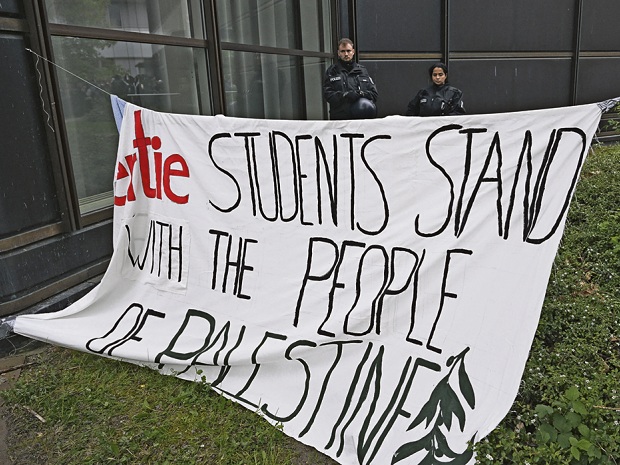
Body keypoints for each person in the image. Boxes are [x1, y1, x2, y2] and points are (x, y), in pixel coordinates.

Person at [323, 38, 378, 120]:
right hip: (340, 120)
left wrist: (361, 94)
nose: (346, 54)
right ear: (338, 53)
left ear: (353, 52)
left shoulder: (362, 70)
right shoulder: (332, 71)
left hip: (361, 119)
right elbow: (327, 95)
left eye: (348, 51)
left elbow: (374, 94)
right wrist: (344, 96)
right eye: (343, 51)